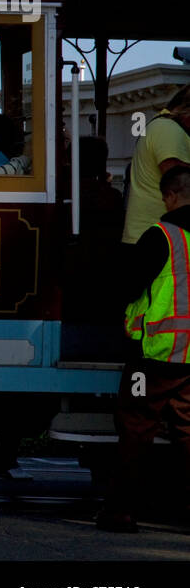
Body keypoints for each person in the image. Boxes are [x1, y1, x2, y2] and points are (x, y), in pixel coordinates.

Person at [97, 165, 190, 532]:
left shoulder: (161, 236)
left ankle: (120, 512)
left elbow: (128, 287)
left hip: (155, 354)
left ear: (170, 196)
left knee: (136, 429)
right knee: (187, 431)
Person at [121, 84, 190, 246]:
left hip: (156, 235)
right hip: (158, 238)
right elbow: (181, 187)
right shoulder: (169, 130)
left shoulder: (164, 127)